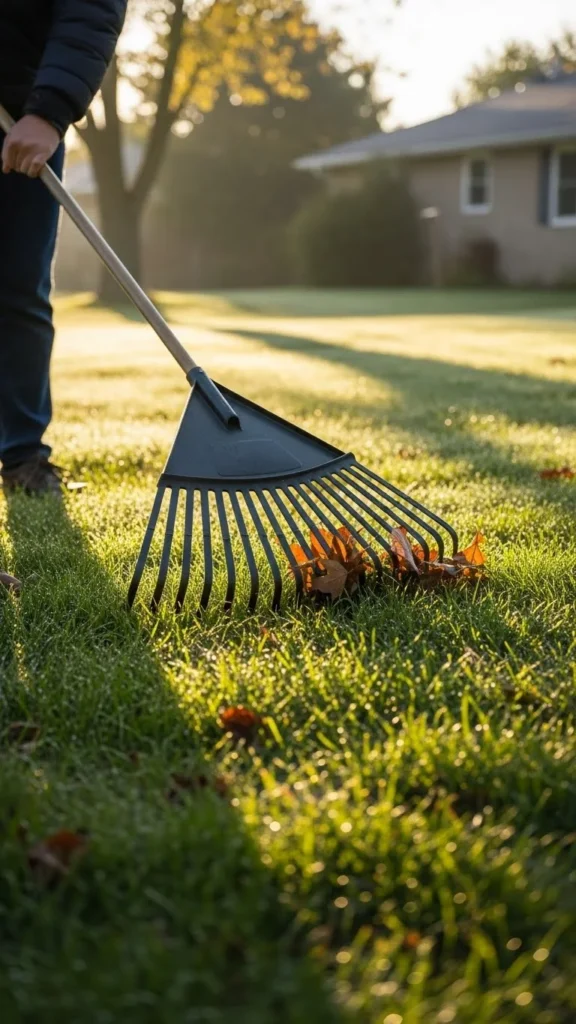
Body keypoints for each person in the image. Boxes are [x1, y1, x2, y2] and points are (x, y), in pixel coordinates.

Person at [0, 0, 127, 496]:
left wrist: (49, 109)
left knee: (20, 294)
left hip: (20, 123)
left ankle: (23, 458)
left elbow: (89, 11)